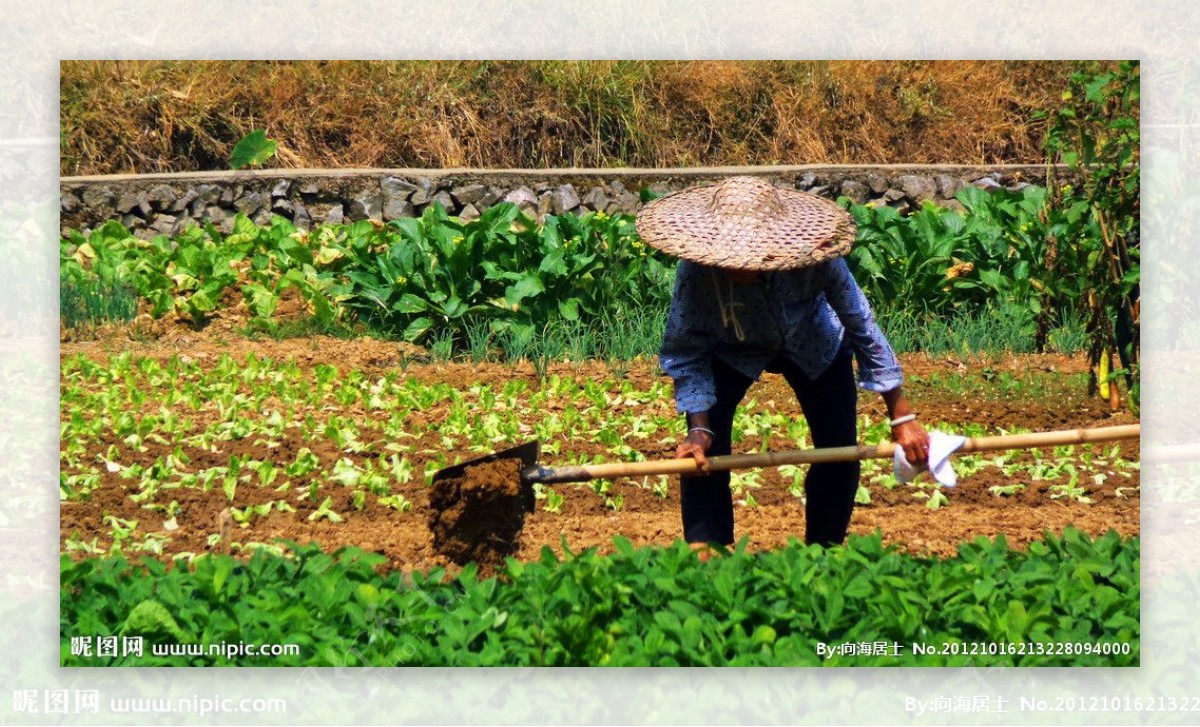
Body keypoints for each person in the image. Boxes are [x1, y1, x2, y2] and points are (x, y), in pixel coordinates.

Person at [635, 176, 930, 552]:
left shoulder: (816, 255)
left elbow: (860, 322)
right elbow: (686, 349)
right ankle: (707, 555)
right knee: (702, 457)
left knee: (839, 450)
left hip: (814, 341)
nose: (735, 264)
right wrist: (699, 429)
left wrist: (901, 416)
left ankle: (823, 551)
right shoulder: (697, 272)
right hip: (732, 346)